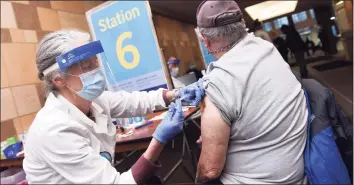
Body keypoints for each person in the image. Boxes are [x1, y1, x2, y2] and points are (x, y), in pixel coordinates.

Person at [23, 30, 205, 184]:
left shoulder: (93, 100)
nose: (96, 69)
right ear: (58, 80)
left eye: (95, 61)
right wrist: (159, 140)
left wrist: (174, 95)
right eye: (86, 66)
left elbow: (134, 101)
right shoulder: (54, 130)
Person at [195, 1, 308, 184]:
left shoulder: (219, 82)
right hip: (297, 175)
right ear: (242, 26)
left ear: (206, 41)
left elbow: (209, 170)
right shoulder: (268, 50)